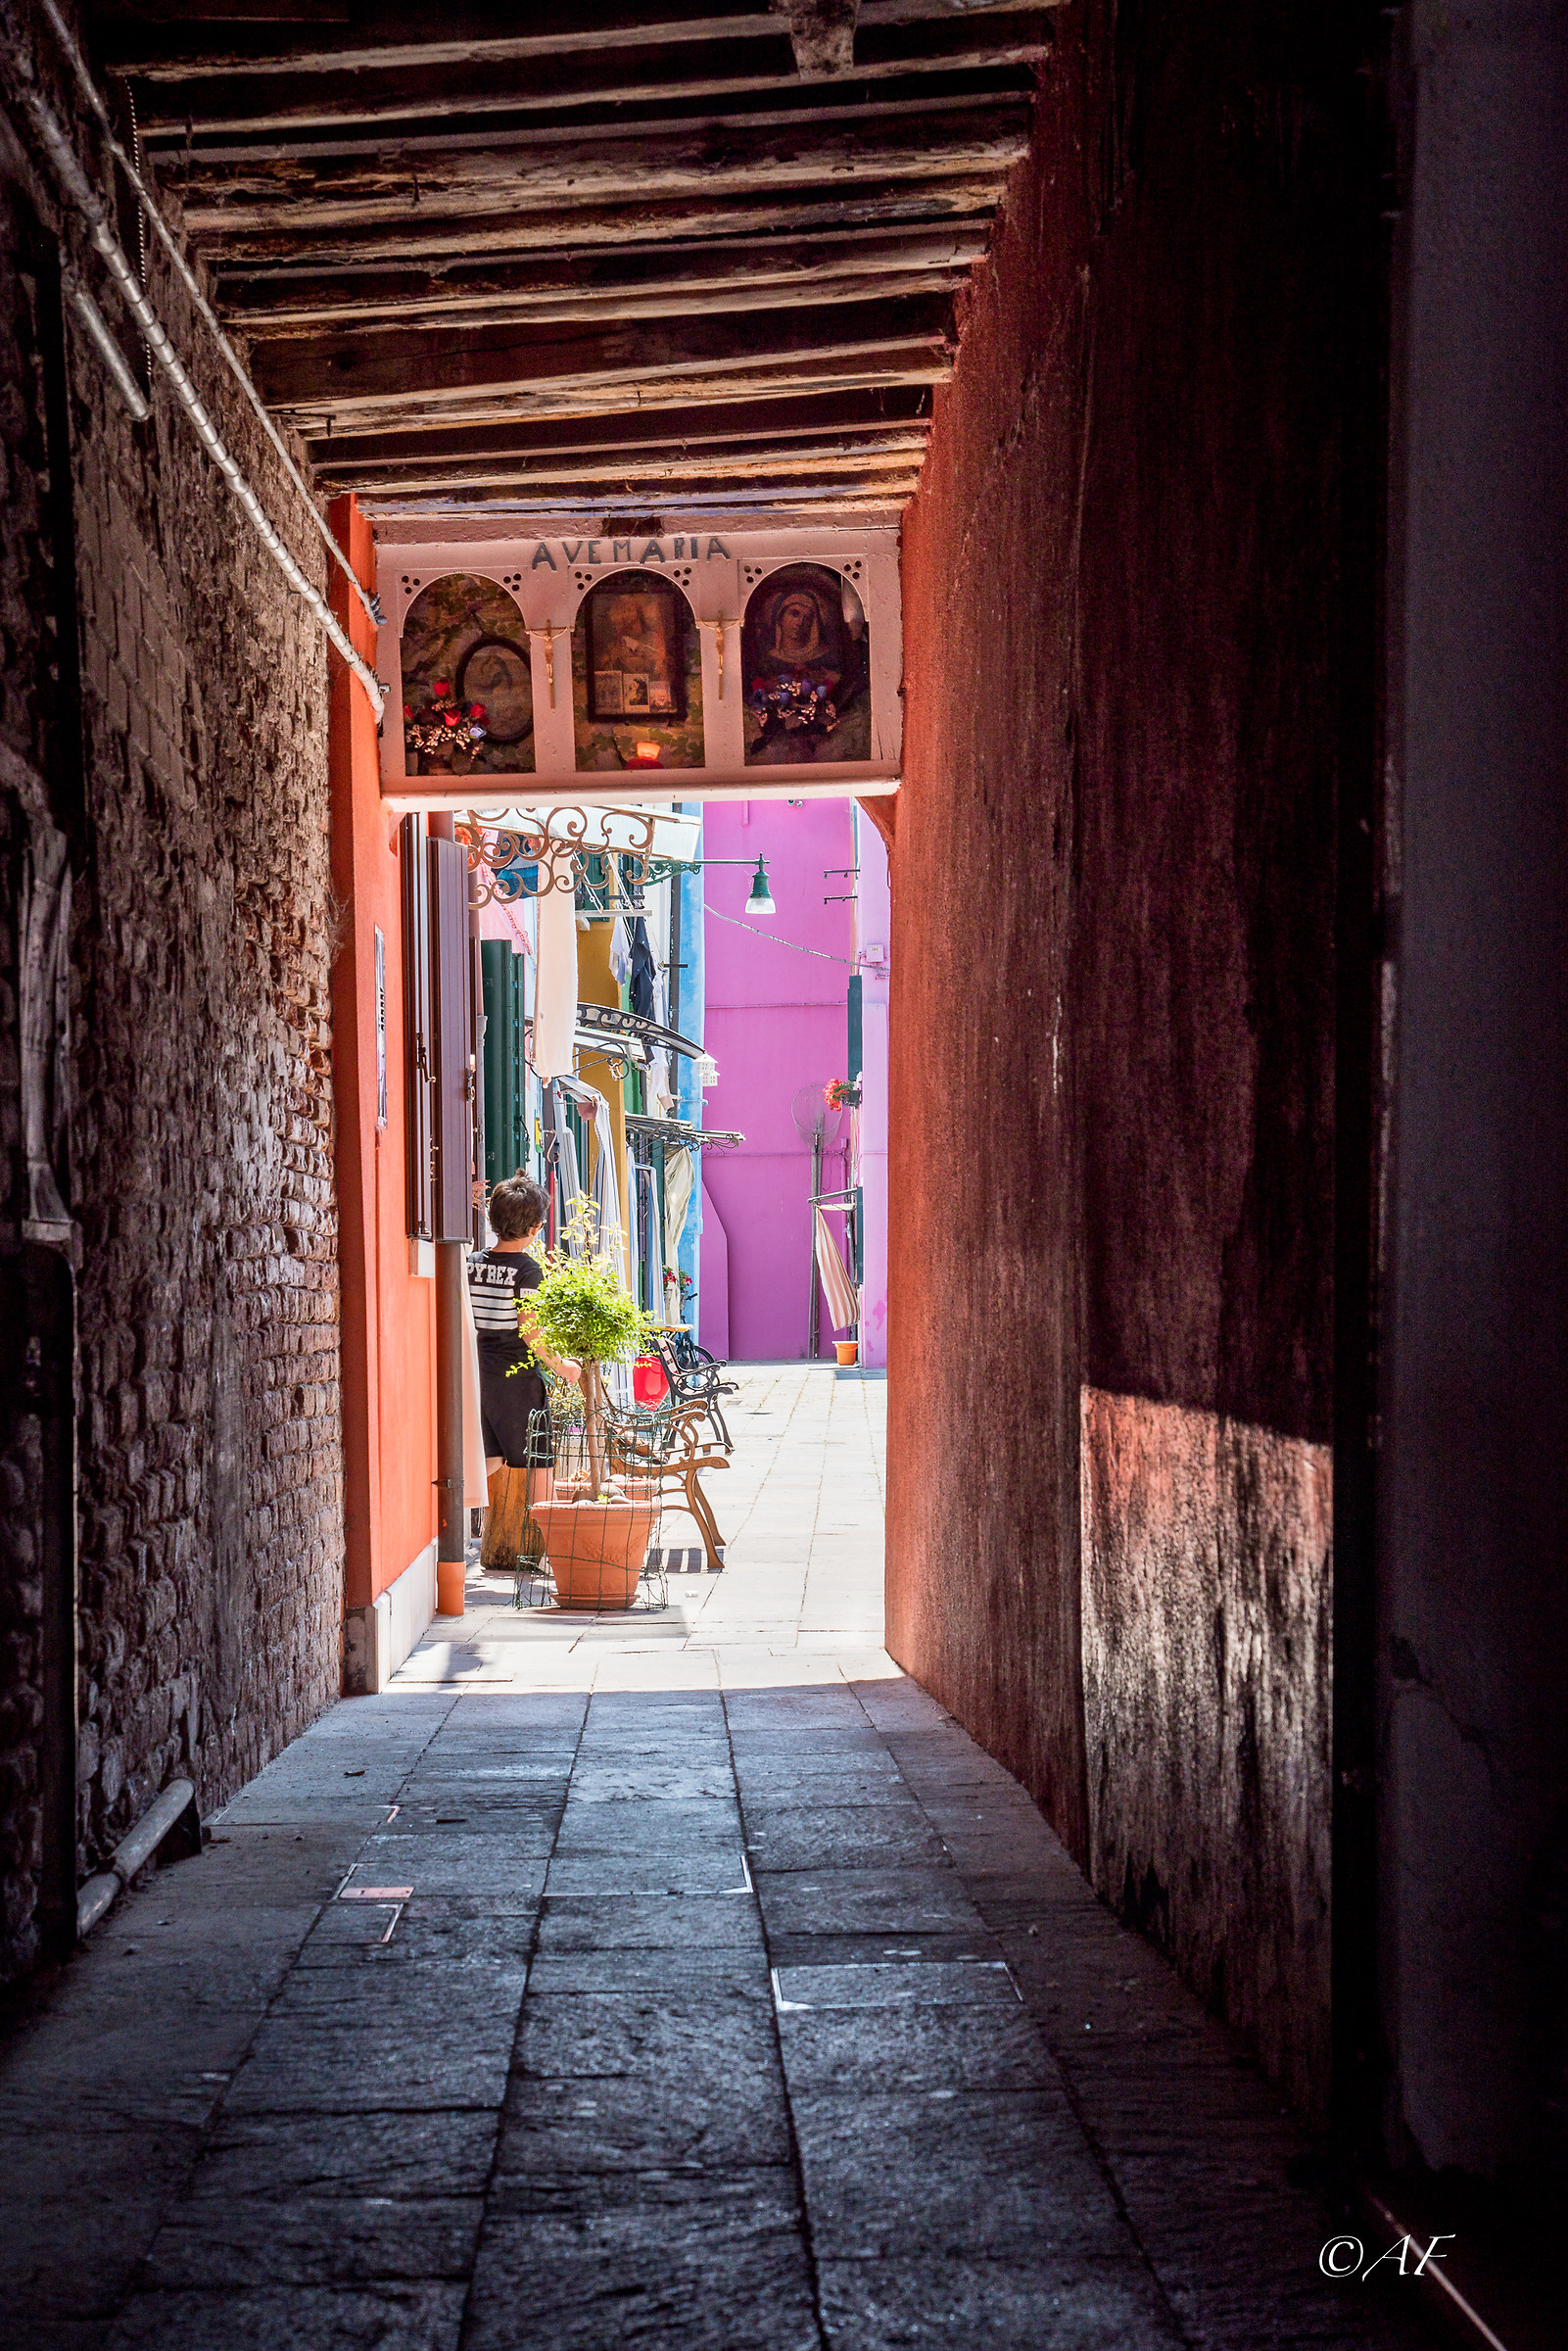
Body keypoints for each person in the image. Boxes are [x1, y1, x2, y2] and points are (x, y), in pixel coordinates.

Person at [468, 1176, 580, 1507]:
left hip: (476, 1373)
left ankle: (437, 1515)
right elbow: (530, 1330)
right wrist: (563, 1367)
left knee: (489, 1457)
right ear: (535, 1228)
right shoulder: (528, 1270)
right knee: (538, 1460)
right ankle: (543, 1543)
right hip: (516, 1378)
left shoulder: (470, 1263)